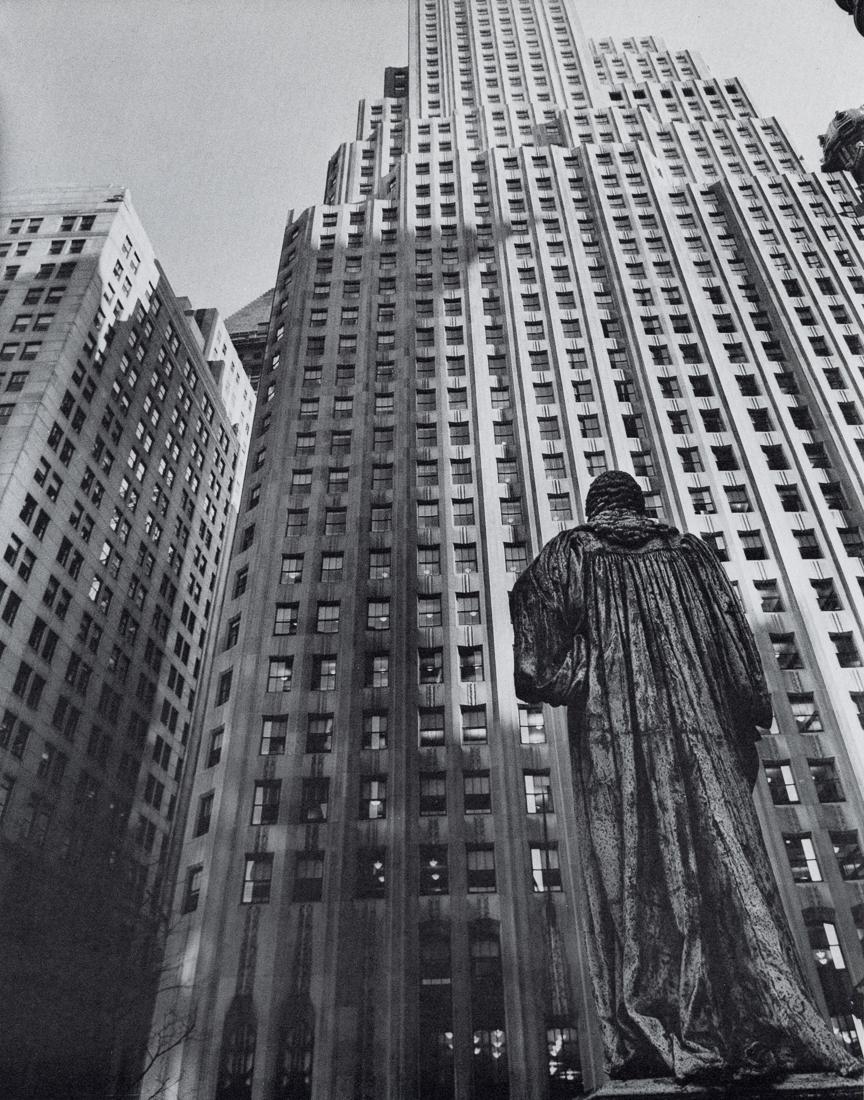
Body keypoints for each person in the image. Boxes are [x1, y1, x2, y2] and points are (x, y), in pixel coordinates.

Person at [509, 470, 861, 1083]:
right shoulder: (689, 552)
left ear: (596, 508)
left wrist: (586, 672)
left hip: (615, 740)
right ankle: (756, 1023)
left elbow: (533, 666)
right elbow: (734, 643)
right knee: (728, 867)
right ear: (639, 507)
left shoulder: (568, 553)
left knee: (635, 872)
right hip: (703, 733)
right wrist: (749, 708)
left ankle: (667, 1031)